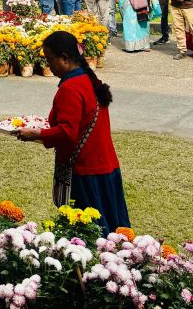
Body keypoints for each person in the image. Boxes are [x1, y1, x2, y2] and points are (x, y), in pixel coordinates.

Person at [17, 29, 130, 234]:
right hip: (105, 165)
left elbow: (67, 132)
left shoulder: (70, 87)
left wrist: (36, 134)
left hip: (86, 171)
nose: (48, 65)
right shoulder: (88, 79)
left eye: (50, 59)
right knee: (114, 230)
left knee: (92, 233)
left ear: (65, 58)